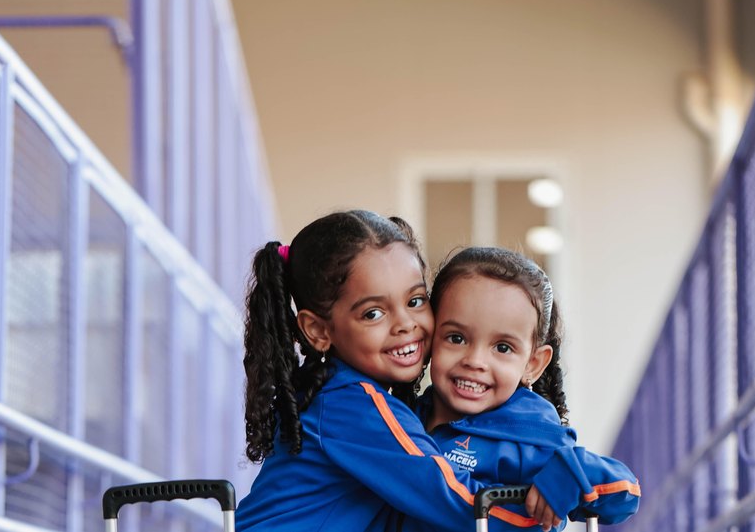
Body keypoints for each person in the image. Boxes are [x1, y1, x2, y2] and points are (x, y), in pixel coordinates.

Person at [235, 211, 557, 532]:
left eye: (416, 301)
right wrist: (540, 521)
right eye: (373, 313)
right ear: (318, 331)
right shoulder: (352, 405)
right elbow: (445, 492)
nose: (405, 324)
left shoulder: (339, 396)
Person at [412, 247, 640, 530]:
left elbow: (627, 493)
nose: (475, 361)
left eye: (503, 347)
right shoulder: (403, 416)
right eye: (456, 338)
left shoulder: (529, 438)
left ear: (533, 364)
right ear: (430, 336)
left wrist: (572, 470)